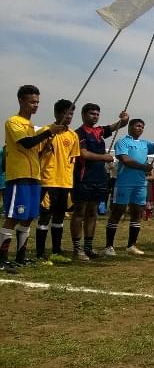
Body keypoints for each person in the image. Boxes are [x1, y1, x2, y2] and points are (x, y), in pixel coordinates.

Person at [1, 85, 67, 273]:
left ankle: (21, 257)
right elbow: (26, 142)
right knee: (13, 217)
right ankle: (2, 258)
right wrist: (48, 132)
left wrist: (48, 136)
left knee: (29, 217)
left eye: (37, 102)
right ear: (21, 101)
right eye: (31, 102)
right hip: (19, 176)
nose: (35, 105)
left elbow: (34, 148)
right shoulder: (13, 122)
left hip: (34, 176)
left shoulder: (32, 126)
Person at [71, 103, 128, 261]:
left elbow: (120, 124)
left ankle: (88, 247)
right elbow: (84, 154)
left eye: (97, 114)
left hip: (99, 178)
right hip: (83, 177)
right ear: (83, 115)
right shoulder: (79, 133)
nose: (95, 116)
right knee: (79, 212)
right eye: (92, 114)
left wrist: (125, 118)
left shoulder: (99, 131)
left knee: (92, 212)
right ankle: (77, 249)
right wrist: (105, 157)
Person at [103, 119, 154, 255]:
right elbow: (125, 160)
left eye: (142, 127)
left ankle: (131, 246)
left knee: (137, 213)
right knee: (117, 212)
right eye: (138, 126)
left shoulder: (145, 143)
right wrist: (144, 167)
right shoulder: (122, 142)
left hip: (140, 184)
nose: (140, 128)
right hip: (124, 183)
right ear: (130, 127)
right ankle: (108, 246)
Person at [36, 99, 80, 264]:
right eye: (64, 113)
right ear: (56, 113)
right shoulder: (46, 131)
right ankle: (40, 254)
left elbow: (72, 161)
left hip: (65, 183)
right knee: (44, 219)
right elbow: (35, 154)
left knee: (59, 219)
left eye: (70, 114)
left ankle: (56, 251)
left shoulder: (73, 135)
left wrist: (71, 183)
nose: (68, 117)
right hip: (48, 182)